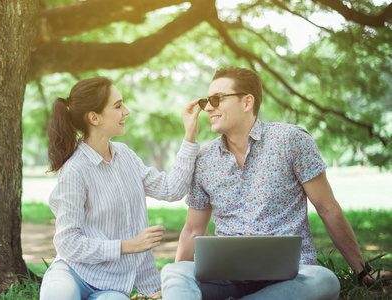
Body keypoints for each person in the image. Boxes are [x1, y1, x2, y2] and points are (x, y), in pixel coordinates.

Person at [160, 66, 392, 300]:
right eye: (205, 102)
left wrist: (364, 272)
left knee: (325, 281)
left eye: (216, 99)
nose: (208, 107)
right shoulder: (204, 160)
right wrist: (178, 284)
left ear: (247, 102)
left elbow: (327, 208)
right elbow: (192, 230)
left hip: (291, 277)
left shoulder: (292, 141)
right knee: (173, 271)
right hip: (228, 278)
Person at [39, 76, 202, 300]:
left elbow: (170, 189)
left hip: (111, 287)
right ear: (94, 117)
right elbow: (67, 243)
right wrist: (128, 246)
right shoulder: (75, 170)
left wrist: (190, 135)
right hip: (73, 273)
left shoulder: (125, 155)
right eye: (117, 106)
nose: (126, 111)